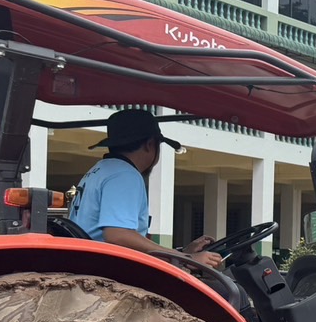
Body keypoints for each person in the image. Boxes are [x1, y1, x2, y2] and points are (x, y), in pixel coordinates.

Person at [68, 109, 223, 269]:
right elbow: (117, 235)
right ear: (150, 144)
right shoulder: (125, 175)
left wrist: (180, 253)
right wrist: (187, 258)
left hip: (88, 263)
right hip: (103, 269)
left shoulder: (101, 169)